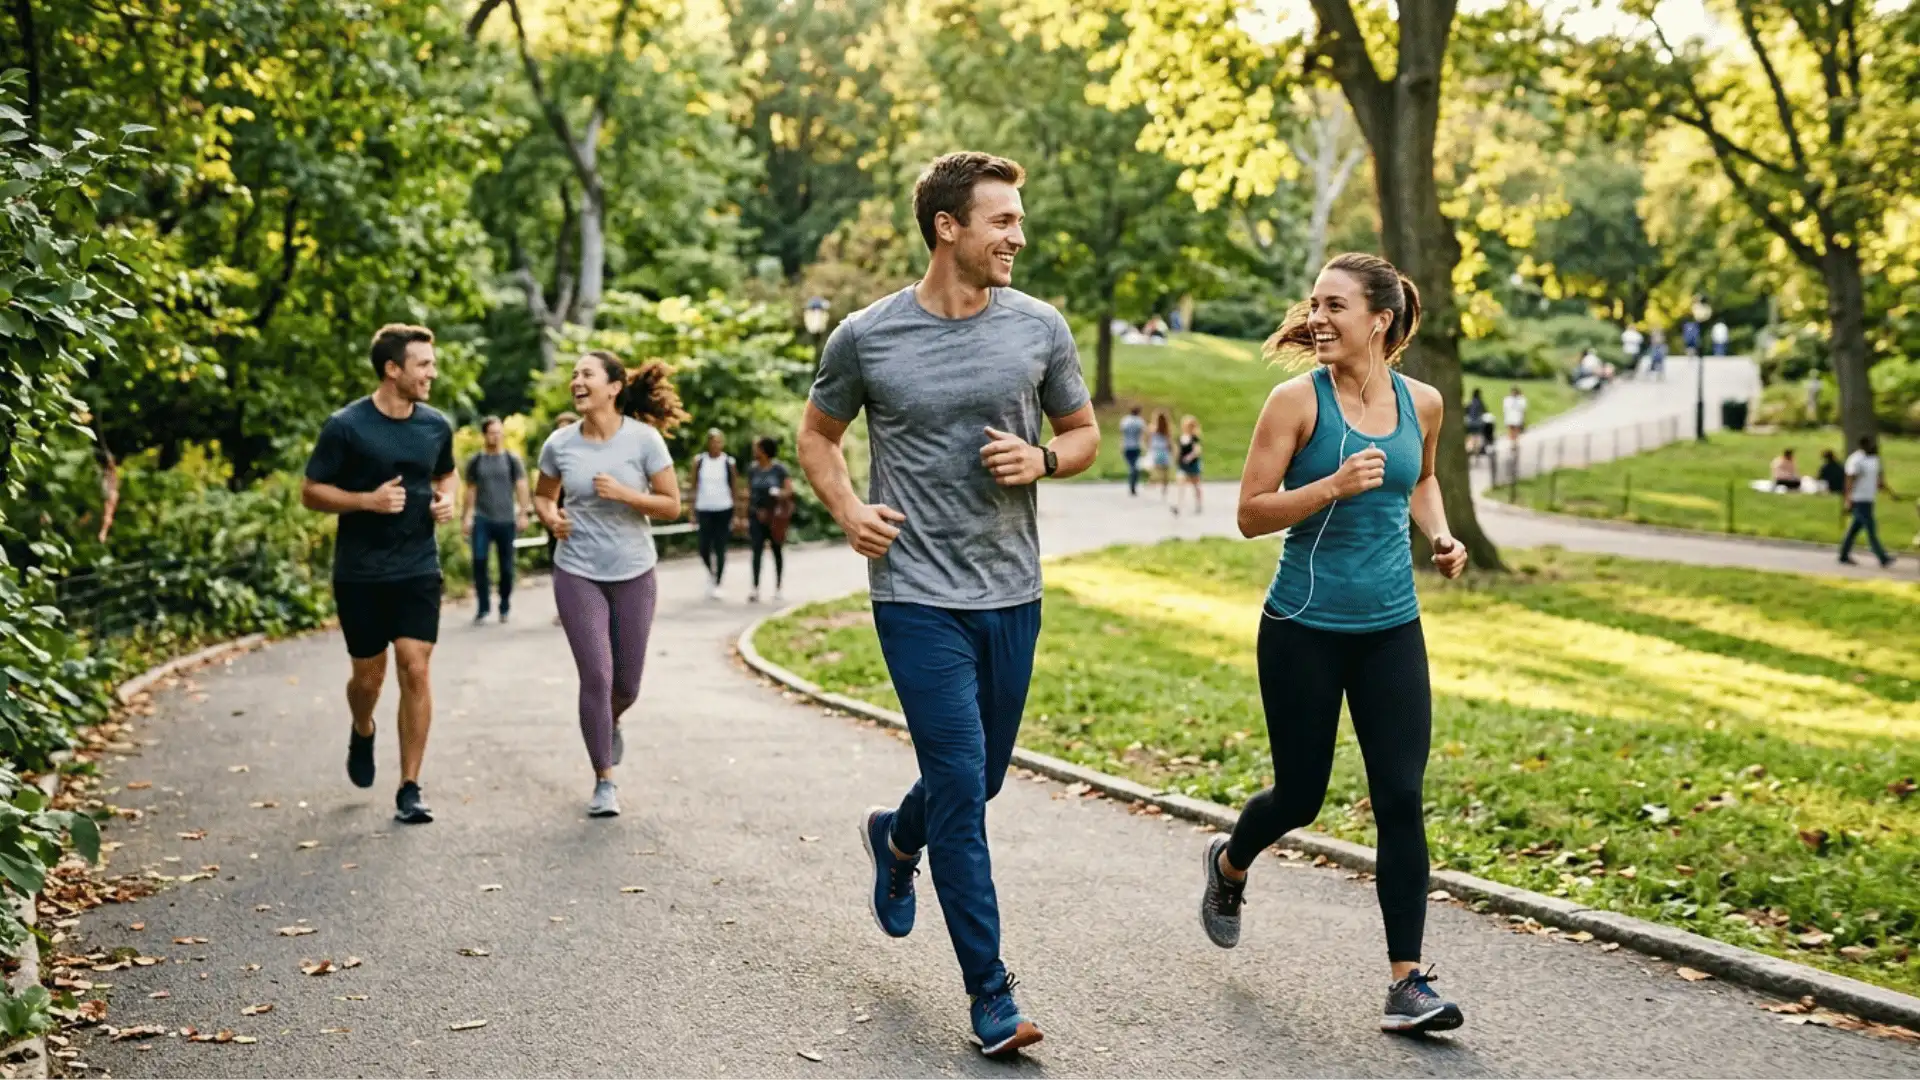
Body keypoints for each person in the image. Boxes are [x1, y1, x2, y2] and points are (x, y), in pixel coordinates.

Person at [796, 151, 1098, 1056]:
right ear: (947, 227)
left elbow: (1082, 435)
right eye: (1002, 220)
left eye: (1017, 219)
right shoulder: (866, 335)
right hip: (915, 594)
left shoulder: (1039, 328)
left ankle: (897, 837)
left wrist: (1042, 458)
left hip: (1012, 589)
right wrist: (849, 509)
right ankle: (990, 993)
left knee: (981, 778)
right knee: (965, 785)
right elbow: (818, 435)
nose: (1018, 236)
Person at [1197, 252, 1468, 1035]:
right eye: (1313, 304)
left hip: (1391, 629)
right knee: (1301, 795)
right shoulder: (1294, 403)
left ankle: (1406, 982)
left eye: (1334, 306)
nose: (1316, 318)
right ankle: (1229, 863)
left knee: (1401, 798)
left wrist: (1442, 536)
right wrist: (1331, 488)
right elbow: (1251, 513)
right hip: (1302, 630)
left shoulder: (1424, 402)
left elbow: (1418, 480)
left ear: (1379, 320)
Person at [300, 324, 456, 826]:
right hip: (361, 572)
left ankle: (410, 786)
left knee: (415, 665)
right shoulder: (346, 426)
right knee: (368, 678)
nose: (432, 372)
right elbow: (311, 491)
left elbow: (447, 473)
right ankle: (362, 726)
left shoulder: (435, 425)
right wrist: (365, 501)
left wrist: (448, 498)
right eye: (423, 365)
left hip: (417, 566)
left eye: (431, 363)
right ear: (393, 369)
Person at [533, 350, 686, 817]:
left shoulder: (644, 441)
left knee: (627, 684)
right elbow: (543, 495)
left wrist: (626, 495)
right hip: (577, 570)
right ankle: (604, 780)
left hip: (634, 570)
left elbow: (672, 505)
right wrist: (551, 517)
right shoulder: (559, 444)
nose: (577, 381)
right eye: (574, 375)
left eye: (587, 374)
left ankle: (609, 720)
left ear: (614, 387)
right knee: (596, 676)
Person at [461, 416, 531, 625]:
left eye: (499, 432)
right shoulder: (476, 461)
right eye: (492, 432)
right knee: (479, 562)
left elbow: (521, 486)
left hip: (506, 519)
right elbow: (470, 491)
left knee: (507, 567)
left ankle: (504, 605)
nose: (496, 436)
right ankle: (483, 608)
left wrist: (523, 513)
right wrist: (466, 517)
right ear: (485, 435)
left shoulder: (511, 459)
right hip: (482, 519)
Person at [691, 429, 740, 600]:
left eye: (719, 441)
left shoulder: (728, 462)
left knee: (720, 546)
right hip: (704, 508)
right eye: (713, 441)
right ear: (708, 443)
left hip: (723, 508)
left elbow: (734, 488)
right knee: (703, 547)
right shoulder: (699, 461)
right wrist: (692, 511)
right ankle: (711, 572)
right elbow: (694, 487)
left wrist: (736, 513)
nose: (715, 445)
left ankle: (718, 582)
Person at [746, 435, 795, 603]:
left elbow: (789, 490)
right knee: (756, 550)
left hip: (774, 516)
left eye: (757, 447)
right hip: (756, 515)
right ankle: (755, 588)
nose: (755, 450)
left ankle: (778, 587)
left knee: (776, 550)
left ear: (765, 450)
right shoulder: (753, 469)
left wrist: (777, 493)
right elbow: (749, 492)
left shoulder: (779, 470)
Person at [1840, 435, 1898, 568]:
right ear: (1863, 445)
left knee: (1854, 528)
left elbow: (1879, 481)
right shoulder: (1855, 460)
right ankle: (1882, 557)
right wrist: (1848, 499)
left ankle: (1843, 555)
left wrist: (1891, 494)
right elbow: (1849, 480)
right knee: (1871, 528)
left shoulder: (1875, 460)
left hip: (1869, 499)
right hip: (1858, 499)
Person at [1176, 414, 1204, 514]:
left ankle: (1199, 504)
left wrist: (1190, 457)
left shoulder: (1194, 438)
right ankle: (1179, 505)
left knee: (1196, 485)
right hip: (1182, 465)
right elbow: (1179, 450)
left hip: (1192, 464)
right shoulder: (1181, 437)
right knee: (1180, 484)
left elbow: (1197, 450)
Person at [1149, 410, 1175, 507]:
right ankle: (1164, 488)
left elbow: (1150, 440)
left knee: (1155, 469)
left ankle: (1152, 481)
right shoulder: (1167, 430)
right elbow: (1169, 442)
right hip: (1164, 452)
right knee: (1165, 473)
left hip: (1156, 451)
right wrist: (1172, 450)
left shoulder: (1153, 429)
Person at [1120, 405, 1146, 496]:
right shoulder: (1140, 422)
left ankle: (1132, 483)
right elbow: (1142, 435)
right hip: (1136, 446)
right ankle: (1133, 485)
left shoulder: (1125, 421)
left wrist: (1121, 445)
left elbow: (1123, 434)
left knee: (1131, 466)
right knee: (1135, 466)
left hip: (1127, 446)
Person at [1463, 389, 1489, 457]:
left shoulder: (1470, 402)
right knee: (1478, 435)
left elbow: (1466, 411)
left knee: (1470, 435)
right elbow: (1485, 411)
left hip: (1470, 422)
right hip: (1478, 422)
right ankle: (1477, 450)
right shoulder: (1480, 403)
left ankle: (1469, 448)